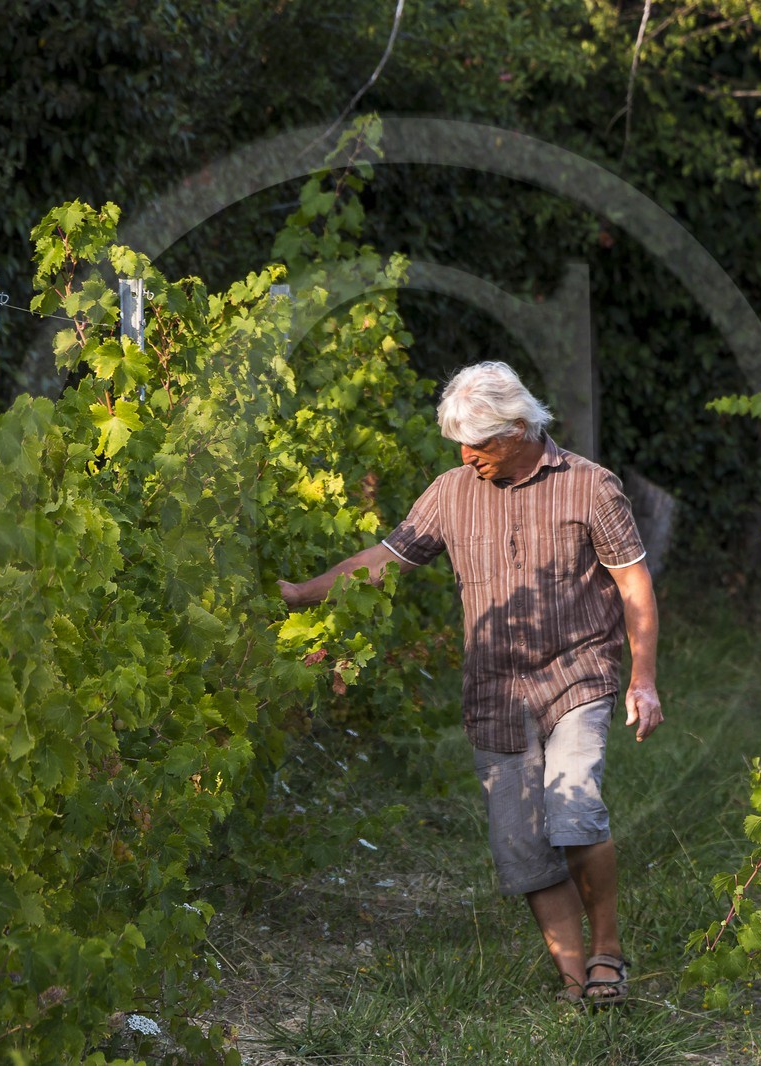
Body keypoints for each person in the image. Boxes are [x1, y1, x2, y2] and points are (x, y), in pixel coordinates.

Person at [278, 361, 663, 1006]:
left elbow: (634, 584)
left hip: (578, 674)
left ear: (518, 428)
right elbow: (385, 561)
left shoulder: (591, 487)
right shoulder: (451, 492)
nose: (467, 454)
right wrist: (302, 595)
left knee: (574, 813)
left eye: (479, 442)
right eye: (460, 442)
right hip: (494, 694)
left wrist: (643, 681)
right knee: (521, 845)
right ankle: (578, 986)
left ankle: (607, 953)